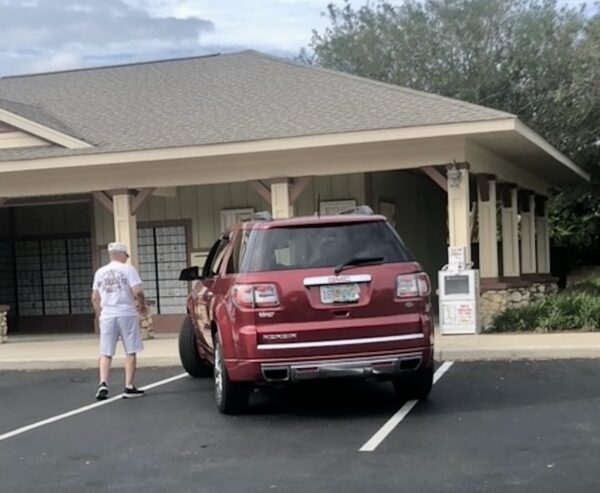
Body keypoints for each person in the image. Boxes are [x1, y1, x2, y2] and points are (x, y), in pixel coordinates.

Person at [91, 242, 147, 400]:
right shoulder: (128, 269)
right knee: (130, 350)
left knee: (106, 352)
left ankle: (103, 382)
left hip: (107, 315)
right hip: (126, 313)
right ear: (122, 254)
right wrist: (142, 306)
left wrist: (99, 314)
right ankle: (128, 386)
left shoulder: (100, 272)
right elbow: (138, 291)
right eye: (126, 255)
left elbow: (95, 297)